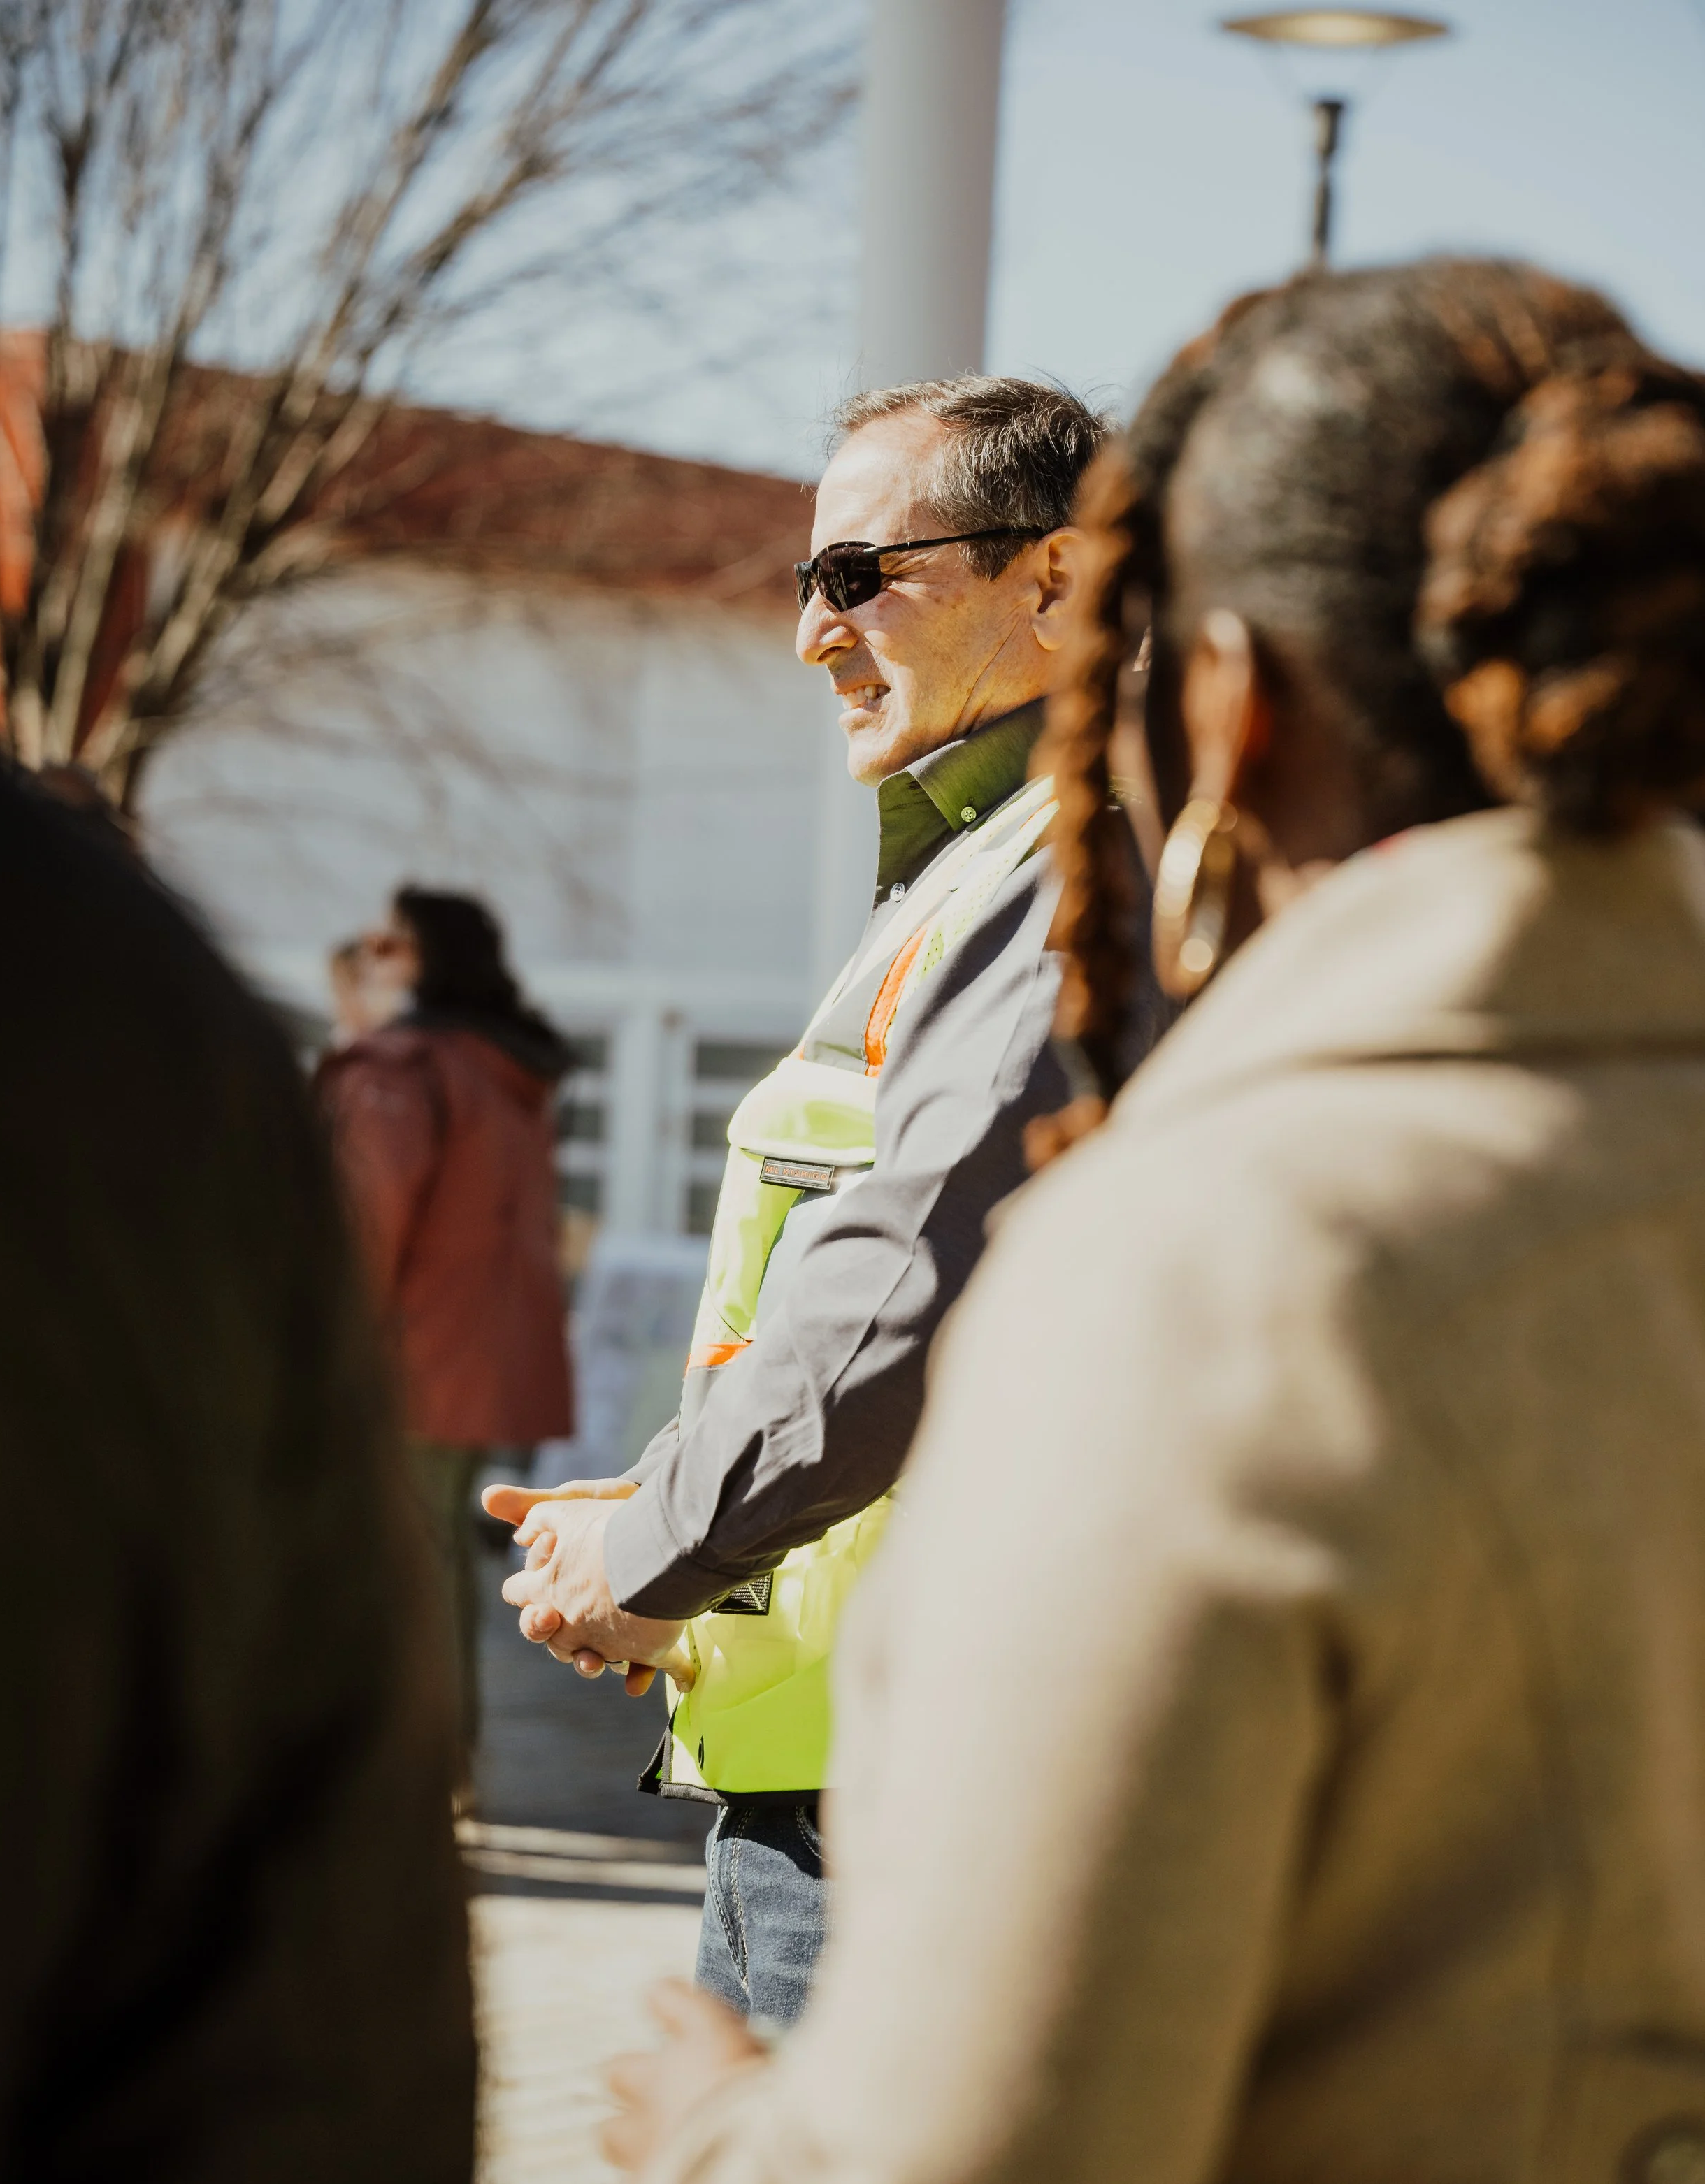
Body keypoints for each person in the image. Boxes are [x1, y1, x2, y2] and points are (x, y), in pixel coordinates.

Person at [602, 257, 1705, 2183]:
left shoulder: (1210, 1273)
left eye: (859, 575)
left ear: (1219, 695)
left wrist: (716, 2133)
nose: (815, 631)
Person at [487, 377, 1143, 2024]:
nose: (812, 635)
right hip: (837, 1772)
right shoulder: (968, 873)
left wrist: (645, 1546)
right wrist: (662, 1502)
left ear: (1053, 579)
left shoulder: (1064, 872)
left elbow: (902, 1296)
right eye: (804, 581)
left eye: (858, 575)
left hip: (918, 1800)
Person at [0, 755, 475, 2178]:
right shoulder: (475, 1062)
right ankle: (471, 1762)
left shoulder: (345, 1068)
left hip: (371, 1374)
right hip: (387, 1389)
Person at [319, 886, 574, 1798]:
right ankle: (442, 1763)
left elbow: (359, 1231)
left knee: (396, 1570)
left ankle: (409, 1775)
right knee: (436, 1565)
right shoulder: (500, 1069)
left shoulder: (404, 1069)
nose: (370, 953)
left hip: (399, 1366)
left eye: (393, 941)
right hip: (476, 1370)